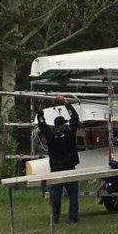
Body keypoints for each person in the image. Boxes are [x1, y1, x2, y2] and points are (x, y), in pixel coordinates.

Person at [36, 95, 81, 223]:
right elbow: (75, 118)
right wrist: (66, 103)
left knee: (55, 196)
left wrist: (41, 106)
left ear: (55, 126)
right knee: (73, 194)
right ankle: (73, 218)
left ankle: (55, 218)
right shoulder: (69, 132)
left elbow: (41, 122)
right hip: (70, 168)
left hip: (56, 169)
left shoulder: (50, 136)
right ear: (64, 124)